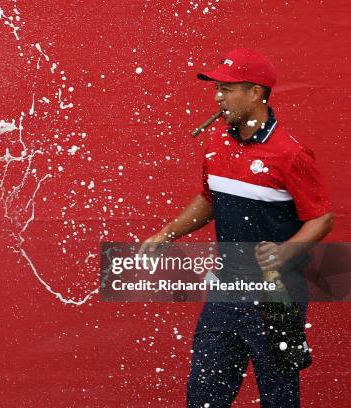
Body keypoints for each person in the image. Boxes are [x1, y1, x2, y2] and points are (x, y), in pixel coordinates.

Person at [141, 49, 333, 407]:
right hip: (225, 292)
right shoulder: (217, 144)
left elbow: (322, 218)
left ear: (256, 92)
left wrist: (287, 250)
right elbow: (209, 199)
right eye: (217, 88)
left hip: (276, 298)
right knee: (204, 398)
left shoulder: (290, 153)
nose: (218, 96)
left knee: (279, 399)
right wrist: (167, 233)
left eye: (227, 89)